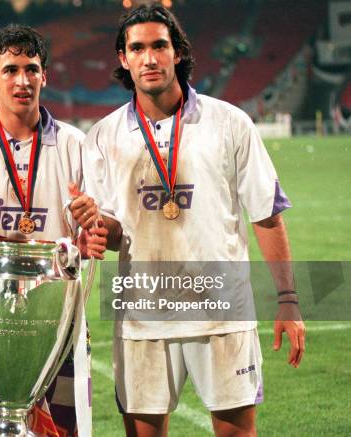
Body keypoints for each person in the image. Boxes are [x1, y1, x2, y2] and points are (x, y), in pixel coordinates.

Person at [81, 5, 306, 436]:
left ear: (178, 52)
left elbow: (266, 215)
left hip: (222, 309)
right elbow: (112, 232)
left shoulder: (229, 122)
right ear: (123, 59)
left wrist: (289, 298)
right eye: (137, 48)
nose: (149, 58)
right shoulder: (102, 137)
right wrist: (95, 226)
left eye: (159, 46)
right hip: (143, 312)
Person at [0, 23, 106, 437]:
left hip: (57, 316)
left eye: (31, 69)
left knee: (64, 426)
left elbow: (97, 233)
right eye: (11, 69)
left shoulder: (75, 144)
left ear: (44, 76)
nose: (22, 80)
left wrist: (93, 226)